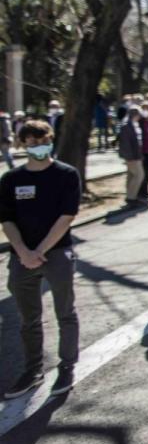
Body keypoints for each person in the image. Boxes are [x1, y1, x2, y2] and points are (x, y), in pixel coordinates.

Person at [1, 120, 81, 399]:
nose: (37, 146)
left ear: (51, 139)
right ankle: (33, 369)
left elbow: (67, 216)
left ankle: (67, 365)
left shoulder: (66, 174)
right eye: (30, 142)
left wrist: (41, 250)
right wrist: (23, 251)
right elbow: (7, 219)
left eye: (42, 140)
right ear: (22, 144)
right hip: (21, 258)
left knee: (65, 313)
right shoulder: (11, 179)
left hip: (56, 253)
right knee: (28, 319)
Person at [117, 105, 145, 207]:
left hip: (135, 155)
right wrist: (130, 157)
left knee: (132, 175)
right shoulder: (126, 125)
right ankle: (131, 197)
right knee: (139, 175)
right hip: (132, 156)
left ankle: (130, 196)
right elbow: (126, 143)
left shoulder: (132, 124)